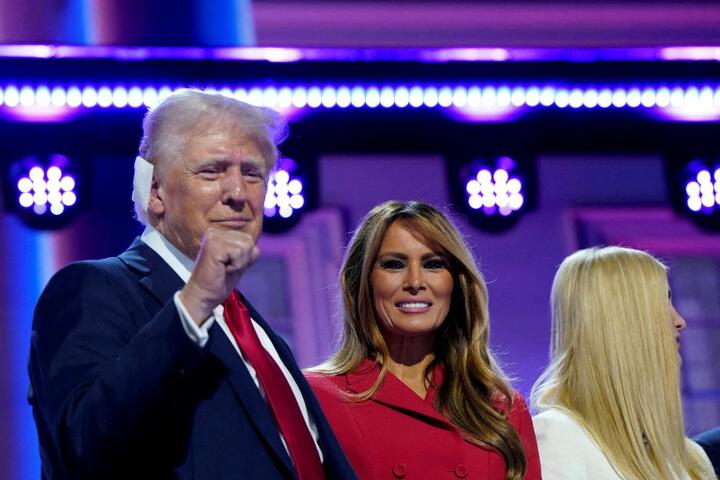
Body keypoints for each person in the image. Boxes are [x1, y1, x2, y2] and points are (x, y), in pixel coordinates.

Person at [28, 89, 356, 480]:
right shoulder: (92, 289)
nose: (238, 193)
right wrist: (194, 302)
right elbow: (84, 449)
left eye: (252, 173)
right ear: (155, 191)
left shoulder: (248, 324)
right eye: (212, 171)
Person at [305, 200, 541, 480]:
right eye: (394, 265)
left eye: (433, 264)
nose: (415, 282)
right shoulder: (317, 396)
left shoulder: (501, 408)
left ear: (456, 283)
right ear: (362, 283)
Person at [531, 246, 715, 480]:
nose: (679, 321)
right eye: (662, 301)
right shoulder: (560, 436)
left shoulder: (686, 456)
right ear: (622, 321)